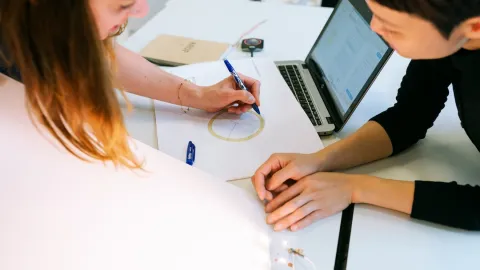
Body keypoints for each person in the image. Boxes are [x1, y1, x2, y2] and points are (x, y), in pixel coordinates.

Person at [252, 0, 480, 232]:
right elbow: (410, 116)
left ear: (474, 28)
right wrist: (319, 160)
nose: (374, 28)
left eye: (392, 25)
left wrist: (354, 188)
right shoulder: (445, 35)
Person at [0, 0, 260, 169]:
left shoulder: (44, 21)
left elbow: (97, 52)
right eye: (123, 3)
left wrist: (196, 94)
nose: (141, 10)